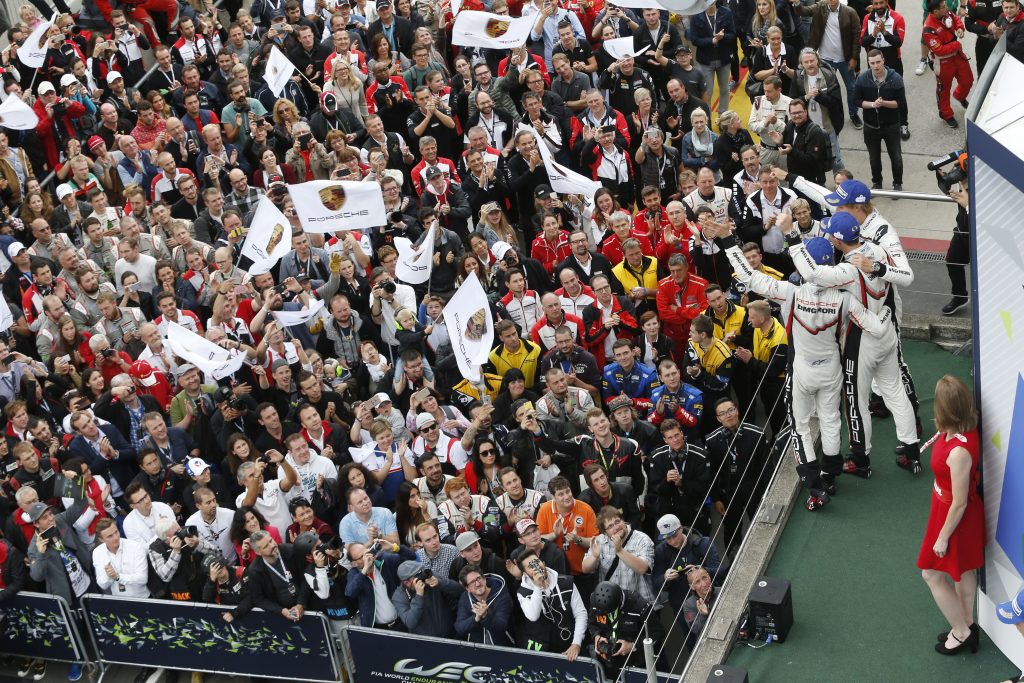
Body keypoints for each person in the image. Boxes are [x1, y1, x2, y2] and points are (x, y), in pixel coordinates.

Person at [918, 375, 985, 656]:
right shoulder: (963, 429)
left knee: (931, 575)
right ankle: (966, 623)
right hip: (948, 511)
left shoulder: (958, 451)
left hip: (953, 517)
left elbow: (959, 503)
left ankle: (961, 632)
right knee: (962, 570)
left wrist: (943, 537)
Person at [515, 548, 588, 659]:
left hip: (568, 643)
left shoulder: (566, 582)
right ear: (525, 573)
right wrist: (538, 587)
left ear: (542, 562)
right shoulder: (522, 592)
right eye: (531, 566)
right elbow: (533, 616)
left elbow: (581, 613)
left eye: (536, 562)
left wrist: (576, 643)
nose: (536, 567)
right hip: (542, 648)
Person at [853, 50, 908, 191]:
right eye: (872, 63)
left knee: (896, 156)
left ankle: (897, 183)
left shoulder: (895, 78)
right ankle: (877, 183)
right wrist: (873, 104)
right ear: (868, 63)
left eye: (878, 62)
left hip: (891, 125)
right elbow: (857, 101)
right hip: (871, 126)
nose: (876, 66)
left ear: (883, 60)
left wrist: (884, 103)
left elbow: (900, 103)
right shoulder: (862, 79)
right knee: (874, 158)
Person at [587, 580, 664, 677]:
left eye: (610, 611)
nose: (606, 613)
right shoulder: (595, 600)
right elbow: (591, 623)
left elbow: (658, 633)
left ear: (619, 603)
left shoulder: (639, 605)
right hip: (611, 662)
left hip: (639, 663)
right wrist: (596, 636)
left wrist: (633, 645)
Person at [922, 0, 973, 128]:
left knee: (968, 81)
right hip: (943, 62)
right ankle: (946, 114)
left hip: (957, 56)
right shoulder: (928, 28)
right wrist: (956, 44)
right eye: (943, 7)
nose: (947, 8)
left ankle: (959, 95)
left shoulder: (946, 12)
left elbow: (955, 19)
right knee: (943, 90)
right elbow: (939, 49)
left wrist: (960, 28)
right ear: (935, 12)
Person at [390, 559, 463, 637]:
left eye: (421, 571)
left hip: (449, 635)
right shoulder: (399, 596)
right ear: (407, 583)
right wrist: (419, 596)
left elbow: (460, 591)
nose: (422, 576)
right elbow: (410, 622)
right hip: (425, 641)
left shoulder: (430, 577)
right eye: (417, 575)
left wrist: (440, 582)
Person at [454, 564, 513, 645]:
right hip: (476, 648)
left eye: (478, 578)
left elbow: (501, 627)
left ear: (484, 579)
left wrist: (485, 616)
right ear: (467, 589)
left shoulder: (502, 596)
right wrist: (476, 618)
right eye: (472, 582)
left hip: (503, 646)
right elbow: (460, 628)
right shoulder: (465, 598)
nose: (478, 584)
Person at [92, 518, 150, 597]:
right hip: (118, 600)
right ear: (101, 540)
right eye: (110, 536)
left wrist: (118, 577)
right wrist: (109, 575)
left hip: (142, 598)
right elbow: (102, 585)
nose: (116, 537)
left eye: (116, 532)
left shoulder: (135, 546)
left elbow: (142, 579)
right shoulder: (97, 552)